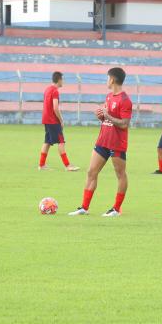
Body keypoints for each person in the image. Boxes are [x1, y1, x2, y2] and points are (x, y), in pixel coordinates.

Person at [69, 67, 132, 217]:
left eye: (107, 78)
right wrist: (101, 117)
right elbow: (108, 117)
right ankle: (84, 207)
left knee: (120, 174)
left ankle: (116, 209)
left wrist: (107, 115)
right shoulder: (109, 96)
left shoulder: (125, 100)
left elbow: (124, 124)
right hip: (103, 141)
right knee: (91, 172)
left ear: (112, 79)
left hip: (117, 143)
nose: (106, 80)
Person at [39, 71, 80, 171]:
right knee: (61, 142)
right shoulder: (55, 91)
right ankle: (68, 166)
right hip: (53, 121)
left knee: (47, 142)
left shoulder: (47, 89)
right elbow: (55, 108)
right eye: (63, 80)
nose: (63, 82)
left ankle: (41, 165)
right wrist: (61, 120)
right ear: (59, 80)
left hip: (46, 120)